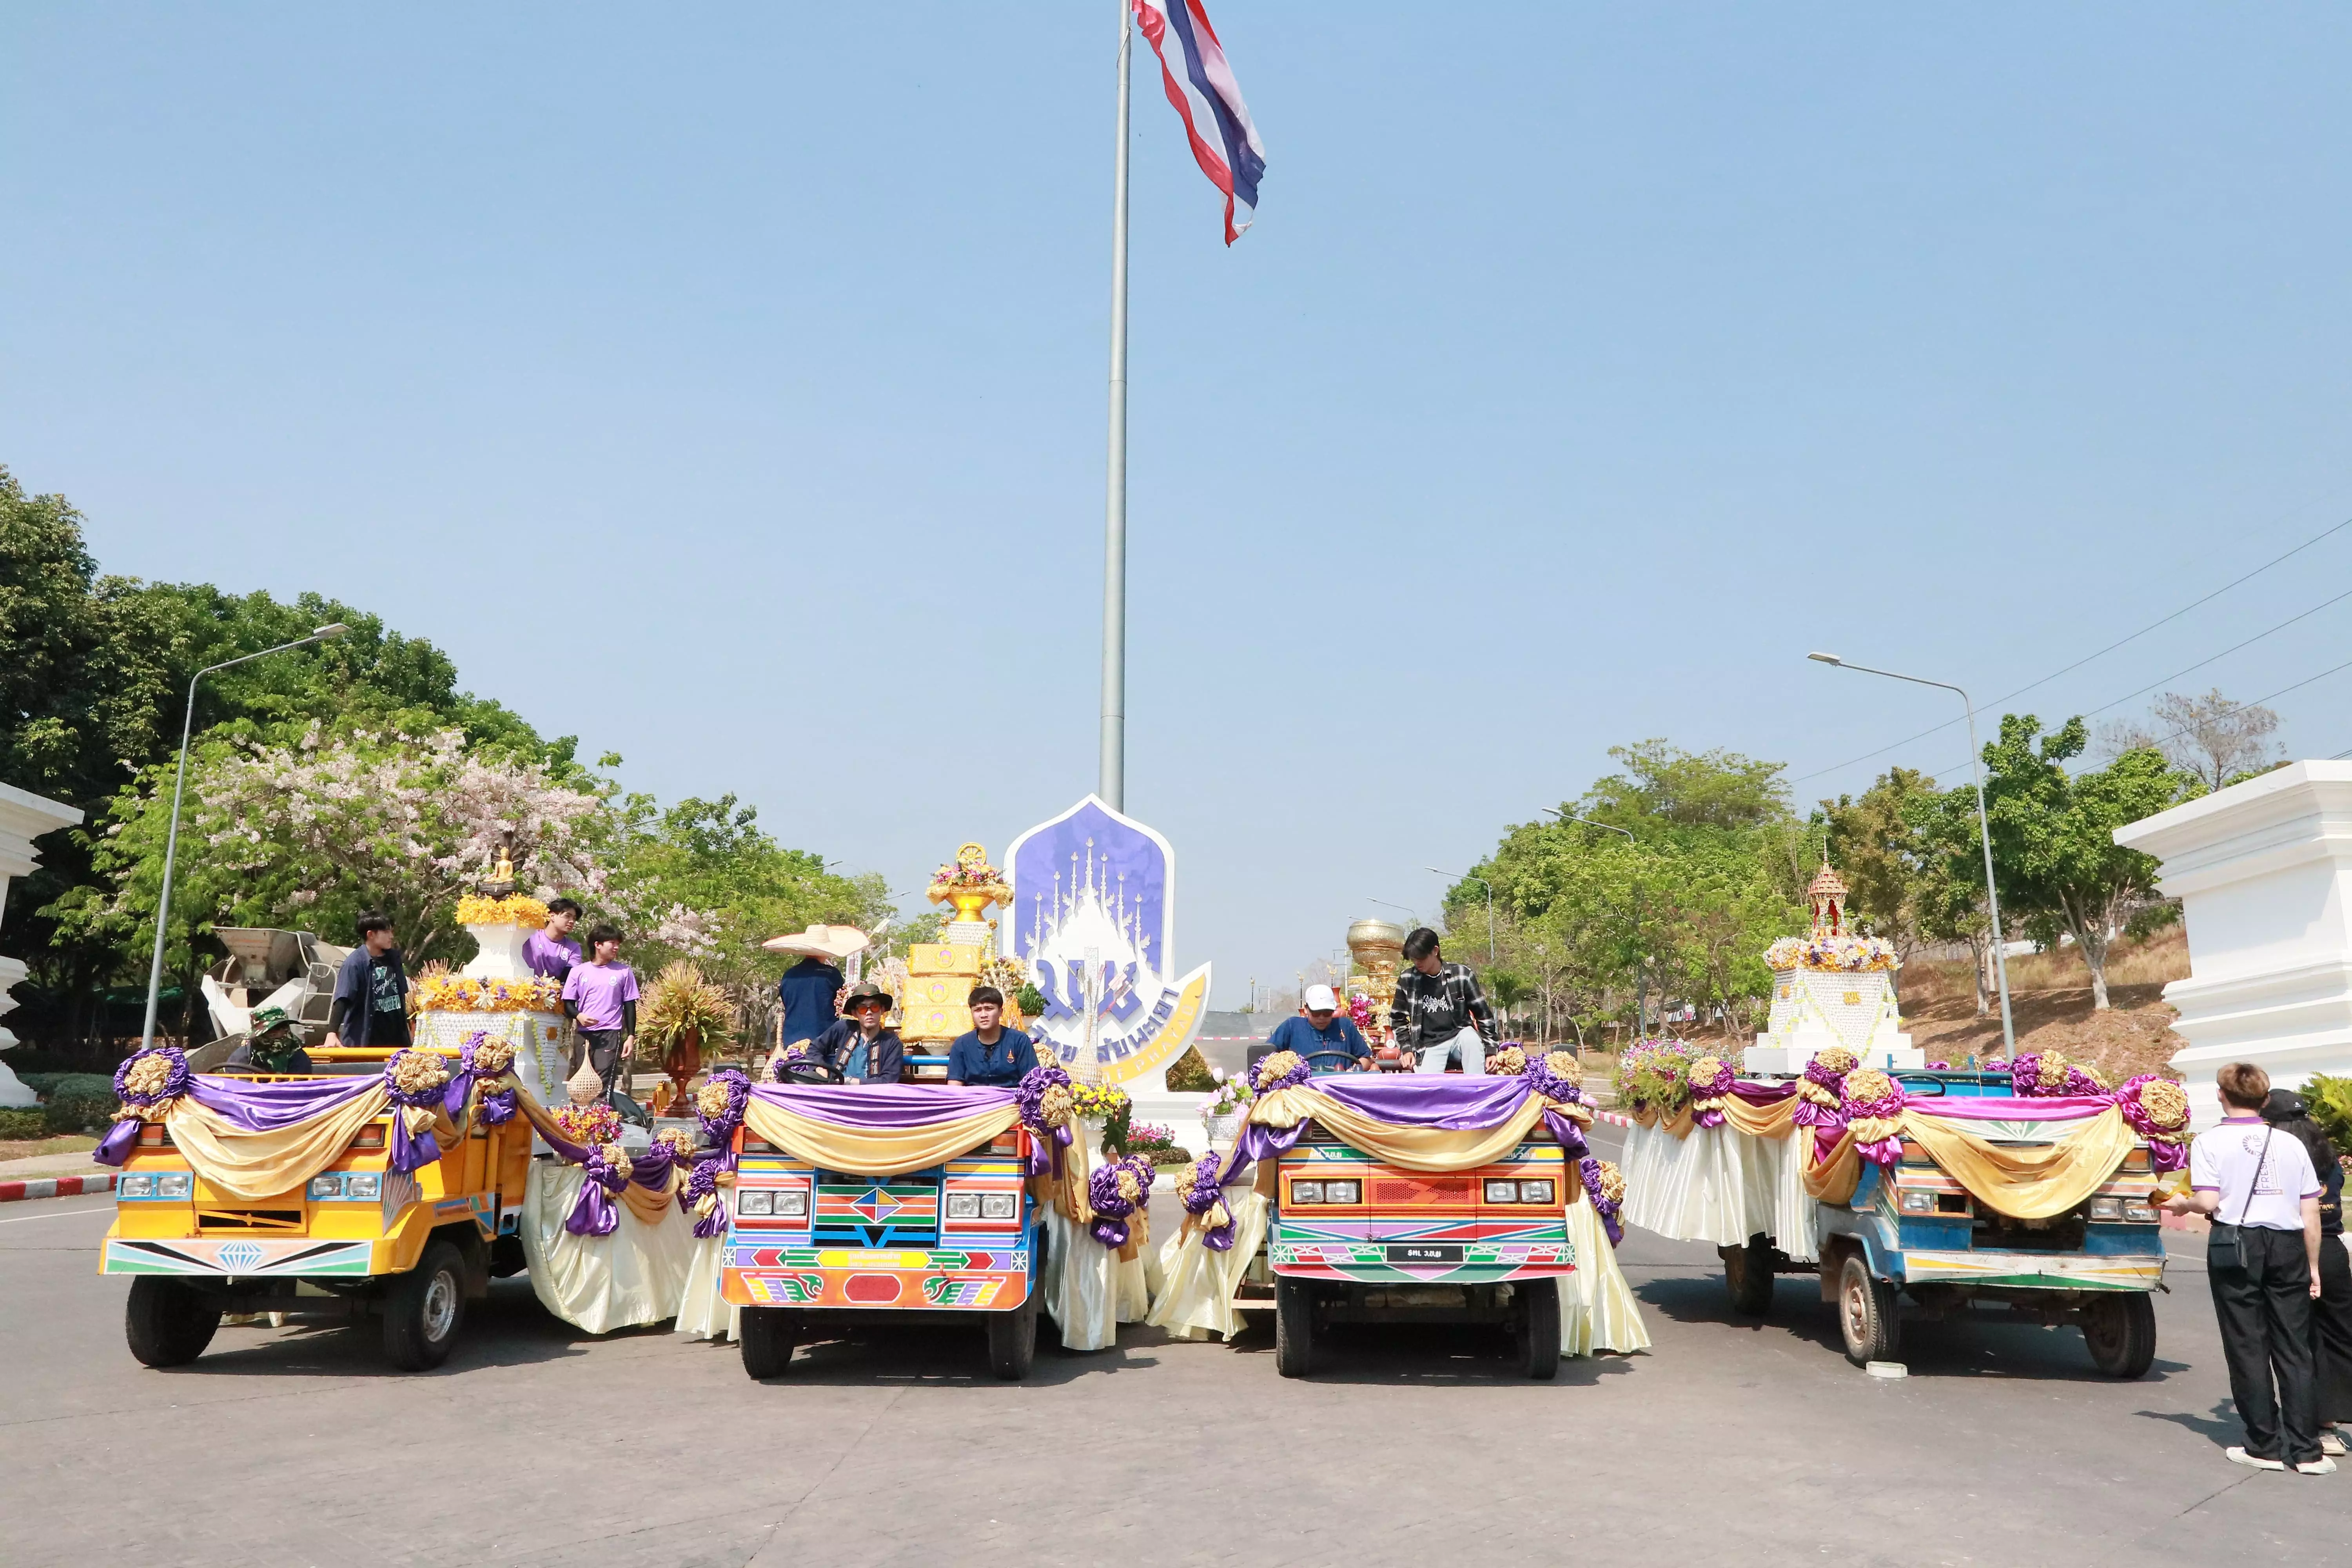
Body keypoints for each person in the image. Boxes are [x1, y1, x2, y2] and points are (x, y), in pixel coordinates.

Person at [2160, 1062, 2332, 1474]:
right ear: (2265, 1099)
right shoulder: (2291, 1143)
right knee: (2294, 1346)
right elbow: (2310, 1210)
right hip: (2288, 1243)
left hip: (2235, 1242)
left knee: (2247, 1343)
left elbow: (2206, 1201)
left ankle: (2264, 1444)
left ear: (2222, 1095)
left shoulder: (2209, 1141)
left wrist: (2179, 1204)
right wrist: (2313, 1264)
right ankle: (2307, 1449)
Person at [2264, 1087, 2352, 1458]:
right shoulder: (2326, 1153)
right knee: (2341, 1333)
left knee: (2300, 1338)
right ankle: (2337, 1417)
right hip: (2333, 1249)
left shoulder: (2281, 1154)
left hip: (2294, 1249)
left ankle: (2318, 1425)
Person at [1386, 928, 1496, 1074]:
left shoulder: (1462, 975)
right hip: (1428, 1045)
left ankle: (1477, 1091)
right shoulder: (1408, 980)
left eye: (1421, 958)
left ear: (1435, 951)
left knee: (1471, 1038)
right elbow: (1397, 1019)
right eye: (1413, 959)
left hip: (1459, 1036)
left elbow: (1483, 1014)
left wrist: (1491, 1051)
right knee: (1428, 1089)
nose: (1417, 963)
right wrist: (1406, 1050)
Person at [561, 924, 641, 1103]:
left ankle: (602, 1124)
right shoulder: (578, 972)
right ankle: (578, 1123)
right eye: (612, 943)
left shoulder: (624, 972)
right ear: (598, 945)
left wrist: (631, 1037)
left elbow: (630, 1006)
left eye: (618, 944)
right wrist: (579, 1016)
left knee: (603, 1083)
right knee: (582, 1083)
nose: (616, 948)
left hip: (610, 1034)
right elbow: (567, 1004)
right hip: (584, 1034)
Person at [325, 911, 410, 1050]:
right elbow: (342, 999)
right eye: (387, 932)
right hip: (365, 1041)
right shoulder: (354, 963)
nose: (392, 937)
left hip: (396, 1042)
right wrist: (332, 1033)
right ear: (371, 935)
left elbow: (402, 997)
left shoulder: (394, 959)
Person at [803, 981, 905, 1085]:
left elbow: (889, 1081)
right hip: (836, 1094)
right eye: (863, 1009)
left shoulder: (892, 1043)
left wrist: (850, 1082)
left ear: (882, 1010)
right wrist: (821, 1070)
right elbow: (814, 1048)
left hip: (871, 1098)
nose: (869, 1012)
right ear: (855, 1013)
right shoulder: (844, 1028)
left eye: (874, 1007)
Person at [946, 985, 1038, 1087]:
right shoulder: (962, 1044)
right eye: (978, 1010)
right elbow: (954, 1086)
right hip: (974, 1100)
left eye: (989, 1009)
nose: (983, 1015)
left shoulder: (1019, 1040)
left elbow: (1032, 1082)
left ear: (1001, 1012)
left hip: (1012, 1100)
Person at [1266, 984, 1372, 1071]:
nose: (1322, 1018)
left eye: (1327, 1013)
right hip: (1303, 1090)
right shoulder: (1292, 1026)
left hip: (1340, 1089)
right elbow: (1266, 1056)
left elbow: (1366, 1058)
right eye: (1316, 1013)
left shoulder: (1345, 1026)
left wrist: (1353, 1071)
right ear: (1306, 1009)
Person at [777, 949, 845, 1055]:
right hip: (823, 1042)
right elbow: (841, 1005)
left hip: (792, 1043)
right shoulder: (831, 975)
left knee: (794, 1070)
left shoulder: (789, 975)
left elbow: (786, 1002)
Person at [225, 1004, 313, 1074]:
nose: (278, 1033)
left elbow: (299, 1088)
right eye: (271, 1031)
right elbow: (236, 1089)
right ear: (259, 1034)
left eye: (283, 1027)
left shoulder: (297, 1055)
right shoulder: (241, 1057)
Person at [523, 897, 583, 983]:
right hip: (523, 989)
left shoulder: (574, 948)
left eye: (574, 918)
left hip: (555, 993)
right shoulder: (529, 936)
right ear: (552, 916)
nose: (572, 921)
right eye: (567, 916)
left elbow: (569, 976)